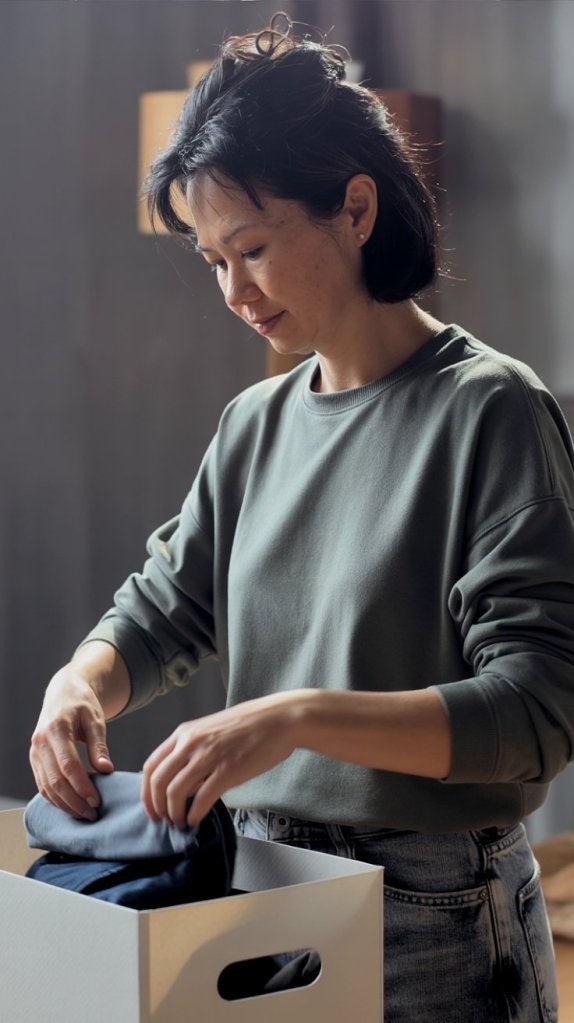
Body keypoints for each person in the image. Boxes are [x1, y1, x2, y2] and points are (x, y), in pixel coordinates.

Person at [30, 13, 574, 1022]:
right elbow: (163, 610)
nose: (235, 292)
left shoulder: (491, 412)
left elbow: (535, 716)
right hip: (254, 894)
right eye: (210, 262)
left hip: (435, 911)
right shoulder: (253, 424)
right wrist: (81, 684)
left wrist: (294, 718)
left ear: (355, 208)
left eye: (254, 249)